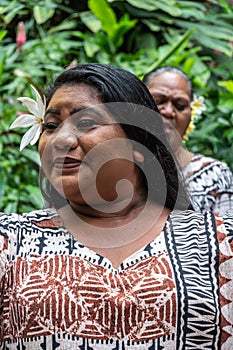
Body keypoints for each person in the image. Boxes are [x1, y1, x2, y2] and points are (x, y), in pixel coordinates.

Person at [1, 63, 233, 349]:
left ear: (139, 144)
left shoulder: (222, 245)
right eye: (50, 126)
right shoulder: (9, 242)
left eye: (86, 123)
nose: (60, 140)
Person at [143, 66, 233, 215]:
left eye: (180, 106)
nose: (169, 111)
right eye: (159, 101)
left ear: (191, 115)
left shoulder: (215, 176)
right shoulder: (120, 167)